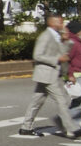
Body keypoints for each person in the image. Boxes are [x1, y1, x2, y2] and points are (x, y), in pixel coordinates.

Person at [18, 8, 72, 138]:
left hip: (49, 74)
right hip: (47, 74)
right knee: (63, 100)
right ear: (52, 23)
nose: (62, 25)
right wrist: (57, 59)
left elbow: (64, 55)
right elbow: (37, 55)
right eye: (60, 22)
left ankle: (26, 127)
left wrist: (65, 41)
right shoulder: (45, 36)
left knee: (37, 102)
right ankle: (71, 129)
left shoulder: (56, 36)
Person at [64, 19, 81, 139]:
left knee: (77, 101)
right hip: (76, 75)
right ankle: (66, 120)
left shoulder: (76, 41)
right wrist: (70, 74)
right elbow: (66, 59)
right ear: (77, 31)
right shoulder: (72, 42)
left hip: (79, 74)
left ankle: (72, 127)